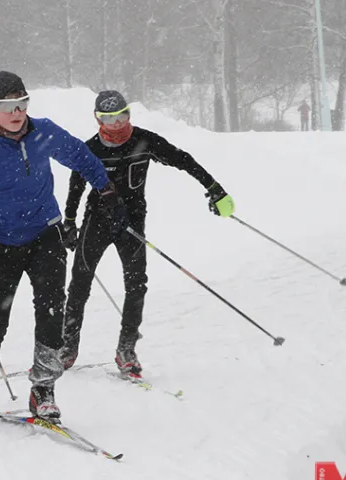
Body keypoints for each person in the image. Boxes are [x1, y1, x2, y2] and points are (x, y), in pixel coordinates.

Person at [0, 71, 127, 424]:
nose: (17, 113)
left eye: (23, 104)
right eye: (9, 106)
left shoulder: (44, 132)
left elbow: (81, 156)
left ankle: (43, 388)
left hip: (46, 237)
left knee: (51, 315)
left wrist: (107, 191)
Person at [59, 90, 236, 380]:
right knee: (79, 282)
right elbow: (76, 185)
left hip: (132, 222)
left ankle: (126, 349)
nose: (116, 124)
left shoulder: (145, 141)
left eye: (122, 116)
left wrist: (213, 187)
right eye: (108, 119)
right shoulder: (89, 149)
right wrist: (68, 222)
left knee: (136, 284)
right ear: (97, 119)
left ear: (129, 114)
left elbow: (183, 160)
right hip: (97, 221)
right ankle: (67, 348)